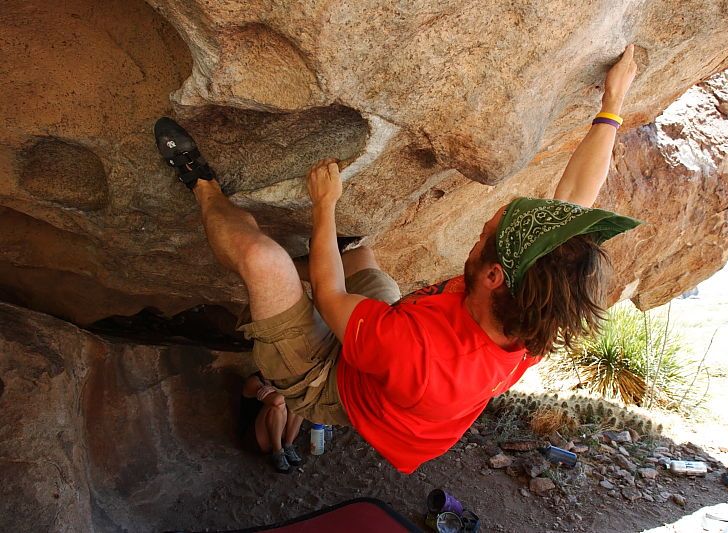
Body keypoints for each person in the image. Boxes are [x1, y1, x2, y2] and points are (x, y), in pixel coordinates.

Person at [154, 45, 640, 474]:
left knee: (263, 259)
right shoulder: (532, 315)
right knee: (359, 254)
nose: (481, 230)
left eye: (484, 235)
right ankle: (281, 288)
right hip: (386, 358)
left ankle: (202, 186)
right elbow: (576, 198)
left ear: (493, 275)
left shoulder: (419, 355)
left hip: (327, 383)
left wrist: (324, 204)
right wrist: (612, 105)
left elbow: (331, 295)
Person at [239, 372, 304, 473]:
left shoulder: (283, 379)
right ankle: (278, 453)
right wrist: (284, 391)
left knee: (299, 403)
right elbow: (276, 400)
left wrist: (278, 389)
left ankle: (288, 446)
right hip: (257, 438)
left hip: (278, 432)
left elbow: (304, 392)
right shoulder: (254, 381)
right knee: (278, 407)